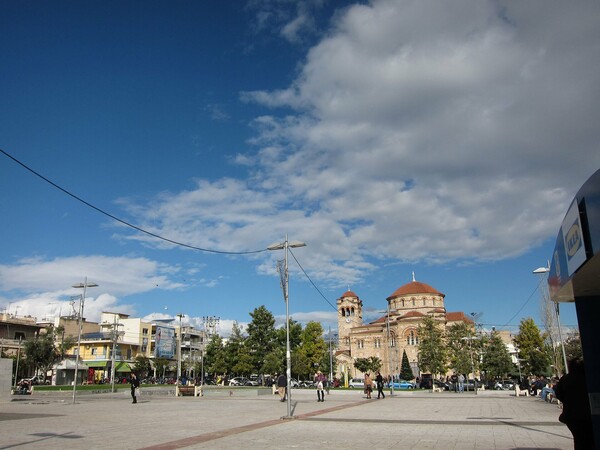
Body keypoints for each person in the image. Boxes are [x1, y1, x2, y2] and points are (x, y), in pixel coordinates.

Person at [554, 359, 595, 449]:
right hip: (588, 415)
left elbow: (558, 394)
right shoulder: (589, 377)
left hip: (571, 415)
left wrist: (569, 401)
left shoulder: (565, 379)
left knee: (579, 440)